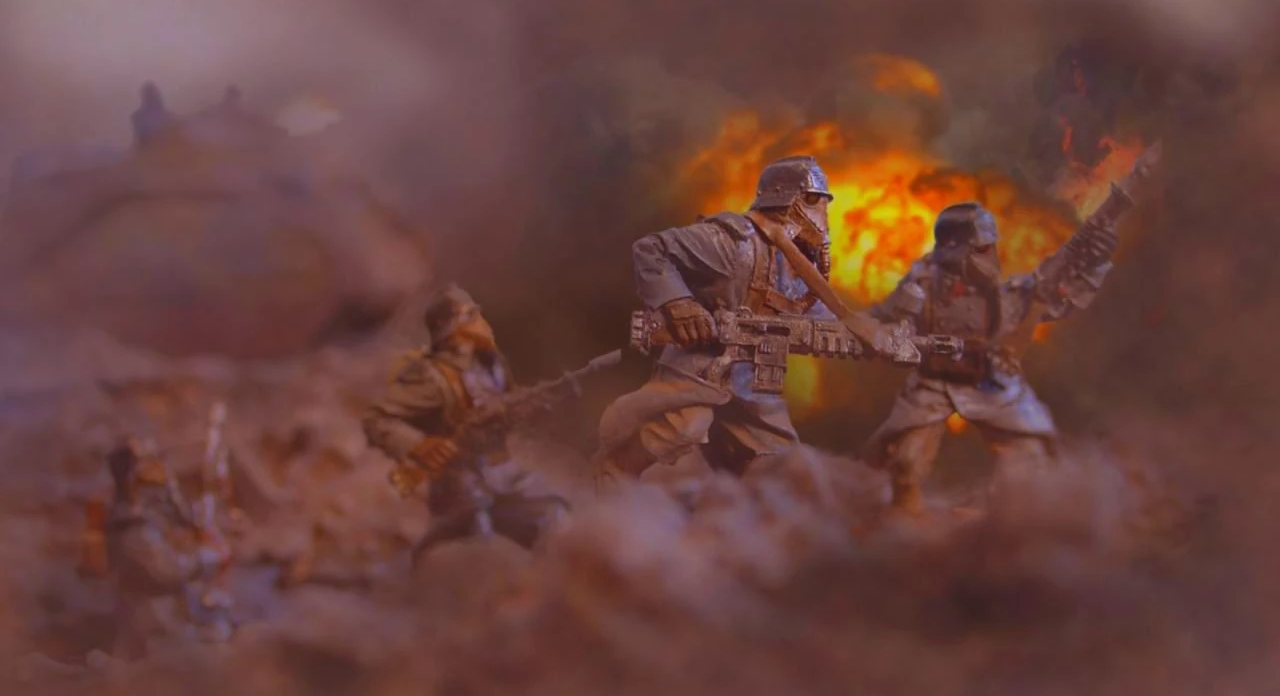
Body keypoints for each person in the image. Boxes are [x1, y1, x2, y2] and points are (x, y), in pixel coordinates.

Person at [594, 155, 899, 485]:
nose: (822, 215)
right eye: (815, 201)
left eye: (823, 203)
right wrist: (680, 304)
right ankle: (615, 470)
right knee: (683, 427)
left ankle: (734, 509)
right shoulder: (733, 241)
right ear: (789, 200)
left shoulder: (798, 263)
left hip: (753, 378)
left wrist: (873, 336)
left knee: (784, 464)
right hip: (700, 365)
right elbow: (651, 249)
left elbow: (810, 313)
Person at [863, 201, 1118, 514]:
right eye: (981, 248)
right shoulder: (922, 285)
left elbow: (1055, 295)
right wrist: (853, 328)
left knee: (1029, 464)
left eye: (989, 247)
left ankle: (1005, 525)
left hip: (990, 382)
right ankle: (904, 526)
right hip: (933, 384)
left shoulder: (1002, 294)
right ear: (955, 248)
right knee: (905, 463)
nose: (989, 255)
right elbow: (883, 318)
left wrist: (1094, 262)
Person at [362, 284, 567, 555]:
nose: (479, 321)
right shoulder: (432, 377)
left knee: (555, 513)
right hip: (461, 483)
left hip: (502, 473)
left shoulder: (491, 367)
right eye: (469, 316)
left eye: (475, 314)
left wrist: (530, 409)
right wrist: (420, 445)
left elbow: (504, 413)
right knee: (478, 542)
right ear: (449, 328)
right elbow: (377, 419)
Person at [100, 437, 233, 658]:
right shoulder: (130, 527)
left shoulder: (150, 516)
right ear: (133, 476)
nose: (159, 469)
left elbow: (181, 523)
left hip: (171, 621)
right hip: (154, 630)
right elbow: (167, 571)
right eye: (150, 463)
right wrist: (209, 557)